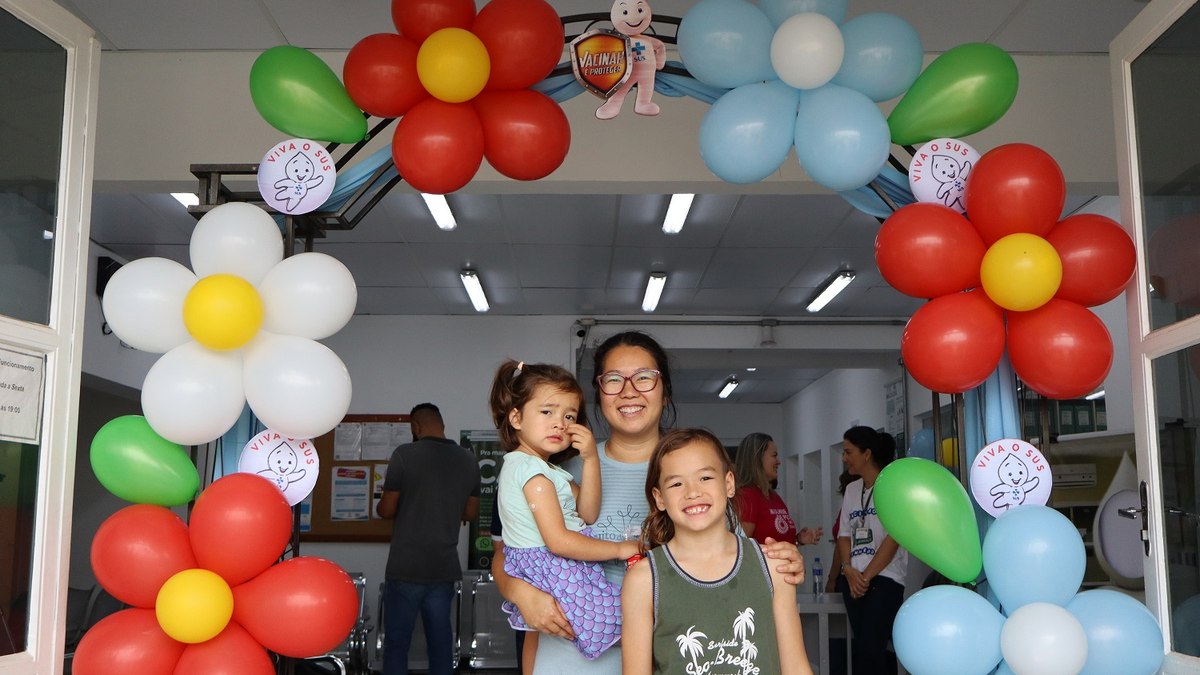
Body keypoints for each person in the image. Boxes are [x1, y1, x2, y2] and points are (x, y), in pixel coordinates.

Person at [493, 331, 807, 675]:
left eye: (644, 377)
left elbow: (732, 567)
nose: (629, 391)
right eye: (614, 379)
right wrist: (521, 595)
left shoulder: (696, 478)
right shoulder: (552, 466)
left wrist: (782, 561)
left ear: (665, 389)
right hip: (567, 661)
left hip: (673, 659)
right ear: (598, 393)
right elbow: (505, 554)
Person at [622, 428, 814, 675]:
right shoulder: (643, 580)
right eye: (677, 483)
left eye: (705, 478)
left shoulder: (773, 566)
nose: (693, 492)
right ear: (659, 498)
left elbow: (796, 667)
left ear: (729, 484)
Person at [489, 360, 638, 660]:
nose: (560, 422)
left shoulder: (547, 470)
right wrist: (621, 549)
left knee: (621, 619)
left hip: (556, 560)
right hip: (551, 561)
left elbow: (588, 513)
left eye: (569, 415)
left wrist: (591, 460)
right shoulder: (531, 472)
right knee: (621, 622)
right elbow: (558, 541)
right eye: (547, 411)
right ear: (516, 418)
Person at [377, 403, 481, 675]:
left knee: (397, 643)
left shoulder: (404, 455)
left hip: (405, 568)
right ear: (442, 424)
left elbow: (386, 510)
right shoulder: (468, 459)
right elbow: (470, 513)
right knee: (441, 643)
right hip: (443, 567)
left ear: (415, 426)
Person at [835, 426, 907, 675]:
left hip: (884, 580)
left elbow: (893, 538)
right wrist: (848, 570)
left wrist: (865, 577)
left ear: (866, 454)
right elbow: (844, 535)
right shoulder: (853, 490)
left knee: (871, 650)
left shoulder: (892, 486)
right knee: (867, 651)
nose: (844, 458)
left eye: (848, 452)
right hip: (853, 580)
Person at [733, 432, 823, 547]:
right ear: (758, 458)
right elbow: (741, 548)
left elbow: (778, 541)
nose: (778, 461)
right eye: (774, 455)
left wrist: (797, 540)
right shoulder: (747, 496)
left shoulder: (773, 496)